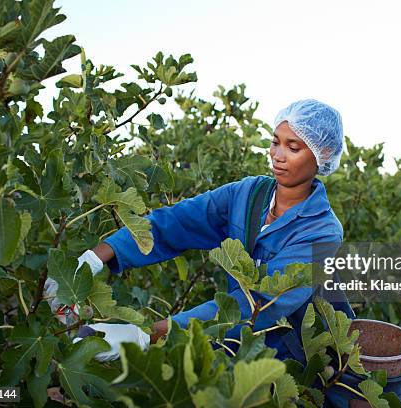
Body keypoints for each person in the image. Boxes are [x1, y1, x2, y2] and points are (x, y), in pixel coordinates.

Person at [44, 99, 353, 390]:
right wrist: (93, 259)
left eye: (293, 147)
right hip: (220, 344)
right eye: (275, 142)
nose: (278, 155)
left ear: (322, 154)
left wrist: (146, 334)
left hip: (279, 365)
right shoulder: (248, 194)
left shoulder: (323, 232)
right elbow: (175, 223)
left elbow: (256, 304)